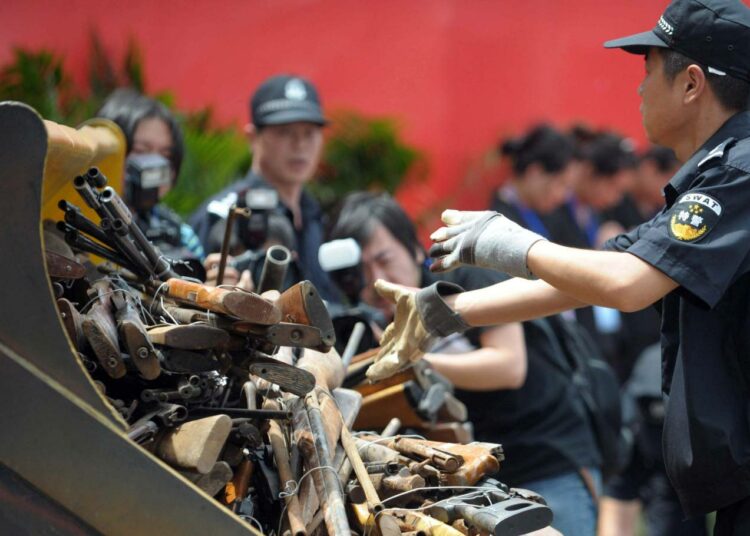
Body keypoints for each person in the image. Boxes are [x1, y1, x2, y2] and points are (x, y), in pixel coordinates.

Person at [371, 1, 750, 534]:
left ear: (691, 84)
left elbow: (627, 286)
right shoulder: (719, 171)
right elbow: (607, 270)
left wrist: (511, 243)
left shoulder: (739, 171)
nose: (639, 90)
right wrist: (450, 312)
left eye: (646, 71)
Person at [330, 192, 601, 536]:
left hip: (547, 459)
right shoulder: (366, 322)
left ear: (414, 249)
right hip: (478, 478)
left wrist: (417, 359)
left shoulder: (463, 276)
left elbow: (508, 365)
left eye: (384, 260)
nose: (375, 279)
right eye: (361, 271)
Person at [188, 74, 339, 301]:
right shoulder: (224, 213)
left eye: (309, 133)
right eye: (285, 132)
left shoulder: (315, 215)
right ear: (252, 137)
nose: (300, 145)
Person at [97, 88, 204, 262]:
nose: (155, 164)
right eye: (141, 151)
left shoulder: (182, 236)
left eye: (165, 155)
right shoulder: (80, 222)